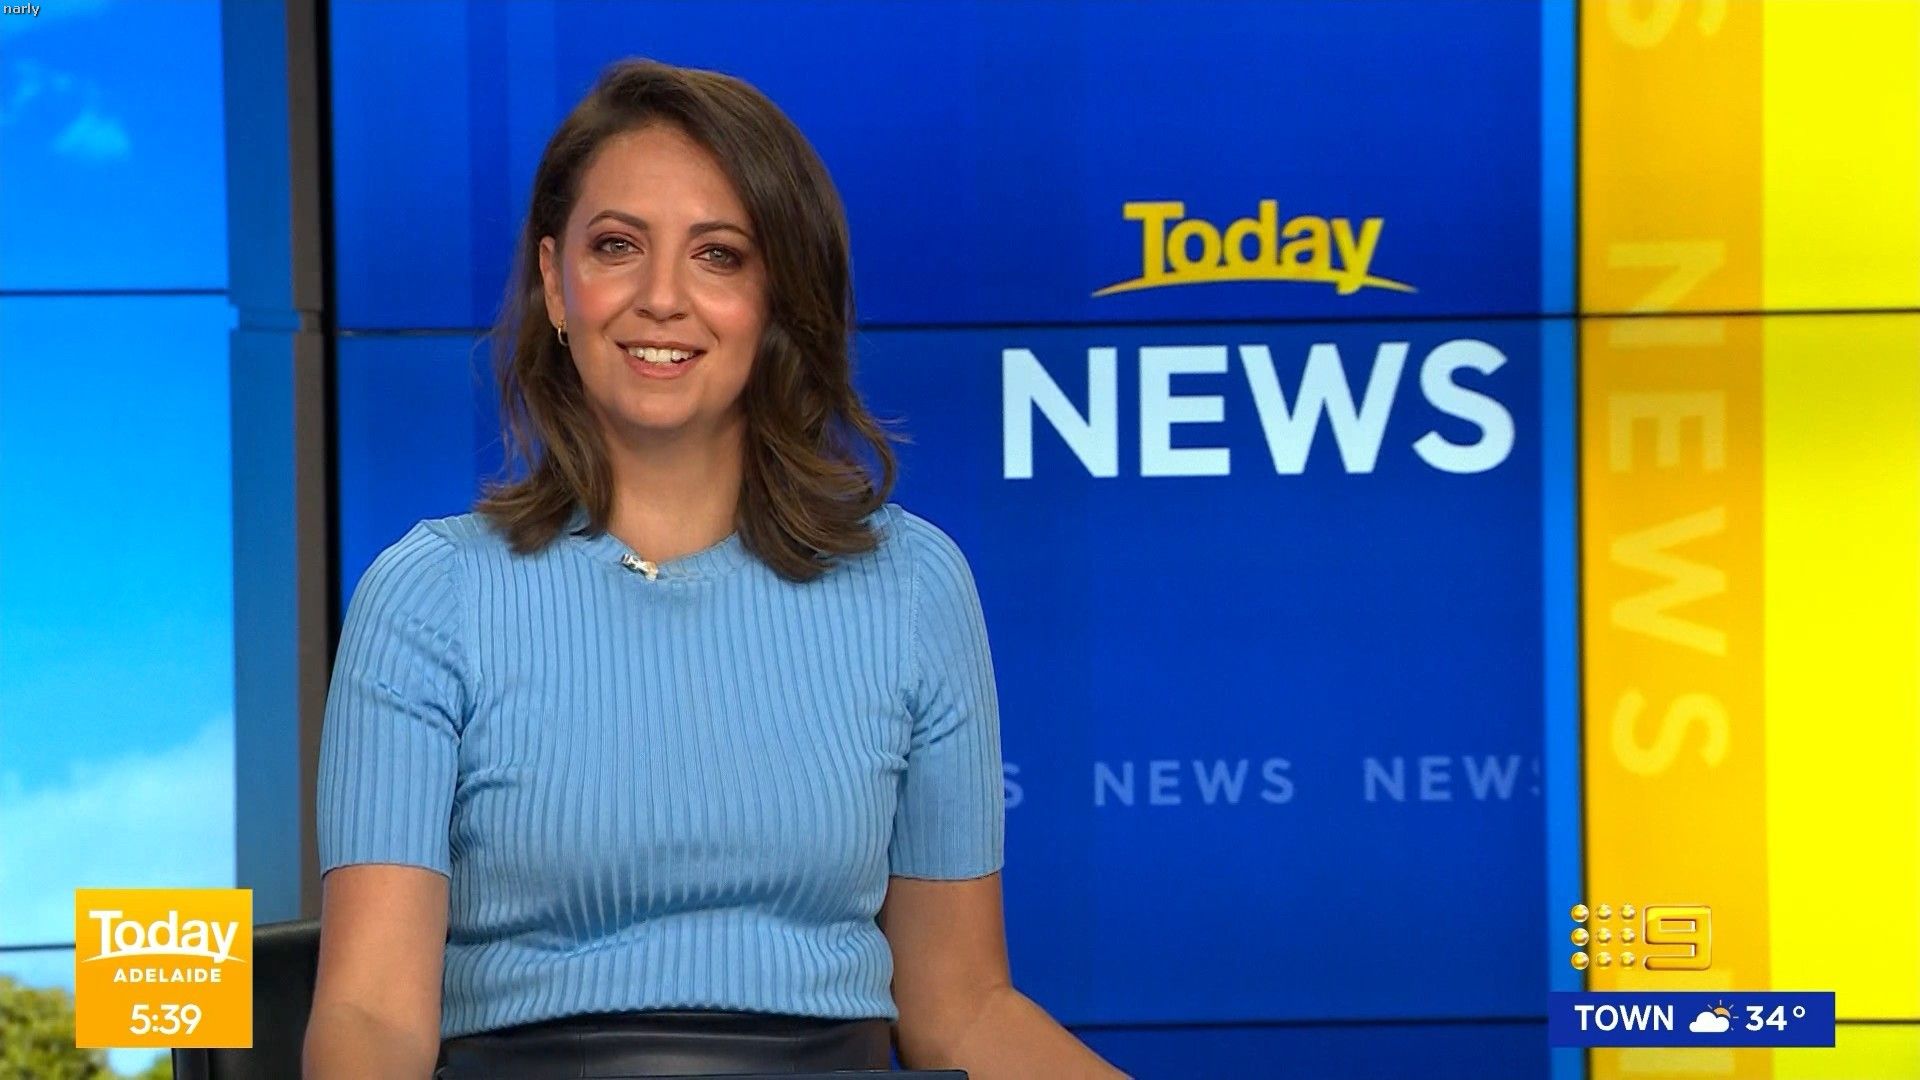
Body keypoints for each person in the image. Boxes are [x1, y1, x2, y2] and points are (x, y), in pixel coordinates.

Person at [302, 58, 1126, 1079]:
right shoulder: (430, 595)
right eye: (617, 247)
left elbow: (962, 1010)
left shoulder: (913, 585)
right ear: (556, 282)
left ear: (777, 294)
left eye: (718, 256)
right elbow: (370, 1018)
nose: (661, 299)